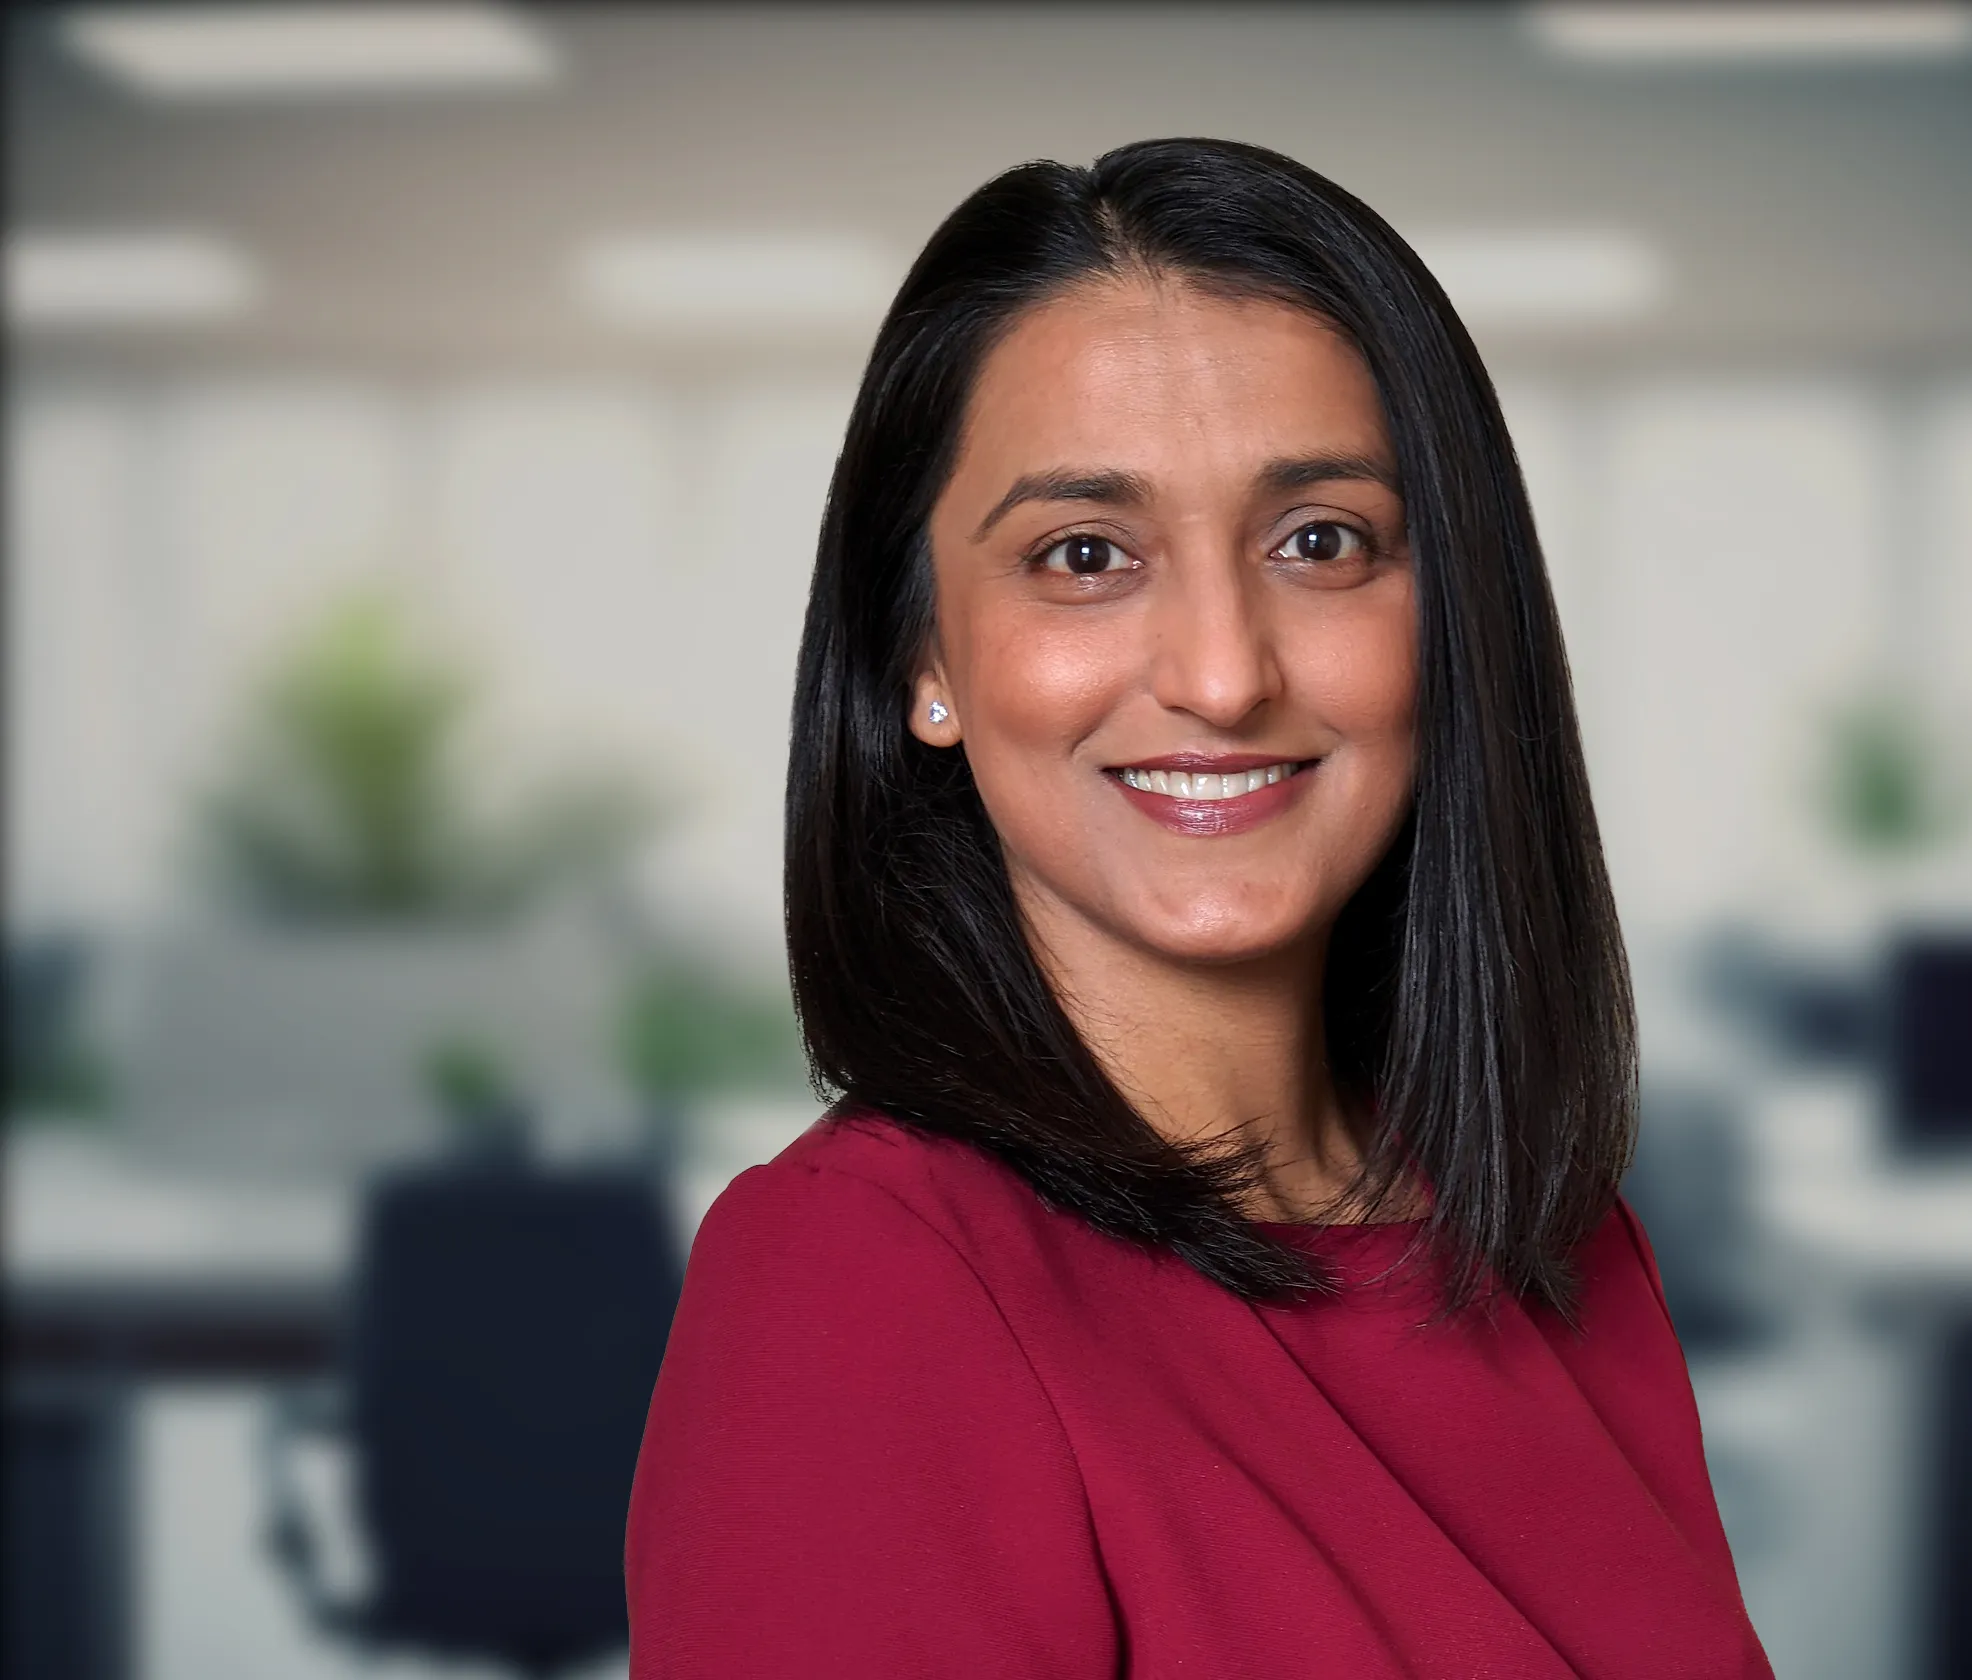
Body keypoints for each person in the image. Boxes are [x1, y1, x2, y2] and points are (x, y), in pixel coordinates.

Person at [626, 137, 1772, 1679]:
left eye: (1322, 542)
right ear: (924, 661)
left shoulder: (1561, 1253)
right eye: (1084, 555)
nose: (1225, 674)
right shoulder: (863, 1287)